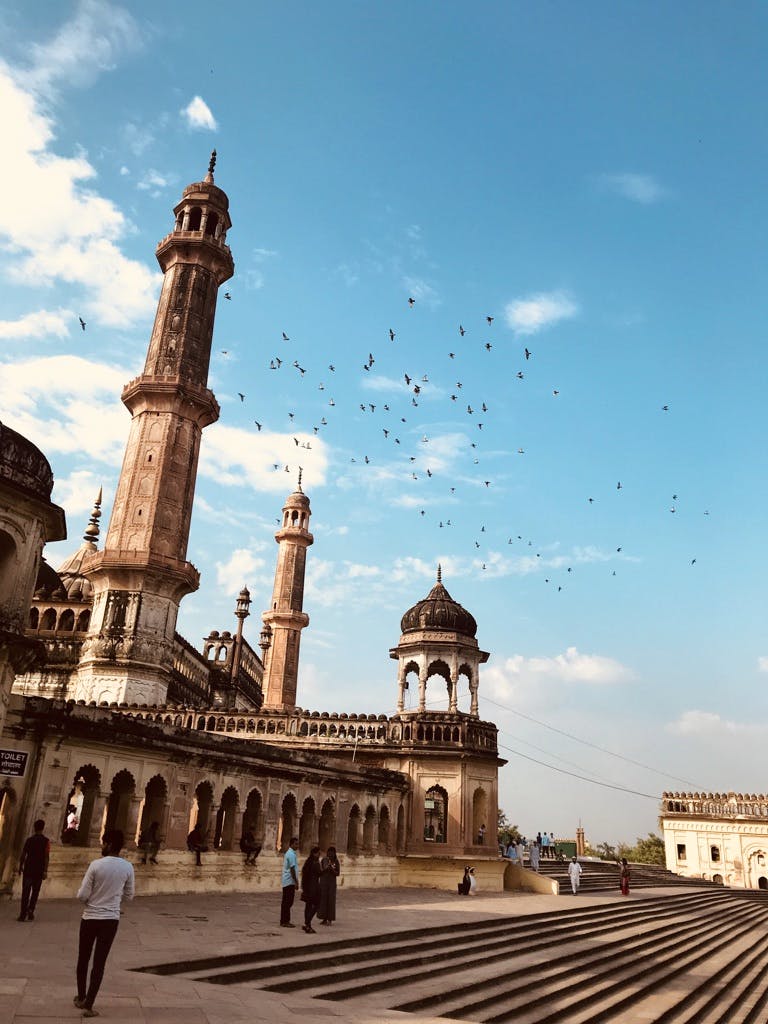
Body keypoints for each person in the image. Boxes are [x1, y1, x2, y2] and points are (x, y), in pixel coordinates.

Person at [74, 829, 134, 1018]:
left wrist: (93, 902)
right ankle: (89, 1003)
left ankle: (81, 996)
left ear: (108, 844)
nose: (102, 845)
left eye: (103, 842)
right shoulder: (127, 867)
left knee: (83, 958)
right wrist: (112, 901)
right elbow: (129, 896)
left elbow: (82, 895)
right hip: (110, 920)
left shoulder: (96, 865)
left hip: (90, 917)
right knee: (99, 963)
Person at [18, 819, 50, 921]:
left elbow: (23, 855)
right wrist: (45, 870)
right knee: (35, 892)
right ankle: (31, 910)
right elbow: (46, 857)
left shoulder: (29, 840)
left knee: (25, 892)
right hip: (39, 870)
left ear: (34, 827)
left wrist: (20, 866)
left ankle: (23, 913)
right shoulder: (46, 841)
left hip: (28, 869)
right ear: (43, 828)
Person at [300, 845, 322, 933]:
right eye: (318, 853)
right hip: (314, 887)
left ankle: (307, 925)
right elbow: (319, 873)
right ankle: (307, 922)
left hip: (307, 886)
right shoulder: (315, 863)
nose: (319, 855)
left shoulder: (308, 862)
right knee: (316, 905)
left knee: (308, 906)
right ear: (314, 853)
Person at [317, 845, 340, 924]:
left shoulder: (336, 861)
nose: (330, 854)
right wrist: (327, 868)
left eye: (332, 853)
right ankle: (324, 918)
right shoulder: (324, 860)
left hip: (331, 884)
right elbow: (321, 870)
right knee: (323, 901)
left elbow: (337, 873)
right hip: (324, 883)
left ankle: (330, 919)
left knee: (331, 901)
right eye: (329, 853)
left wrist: (332, 869)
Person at [280, 836, 299, 927]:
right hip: (289, 880)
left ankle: (284, 920)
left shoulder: (290, 853)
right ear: (291, 844)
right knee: (288, 902)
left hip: (287, 880)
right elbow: (292, 869)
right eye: (296, 844)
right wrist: (296, 881)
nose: (297, 845)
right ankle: (285, 921)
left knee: (286, 902)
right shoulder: (291, 854)